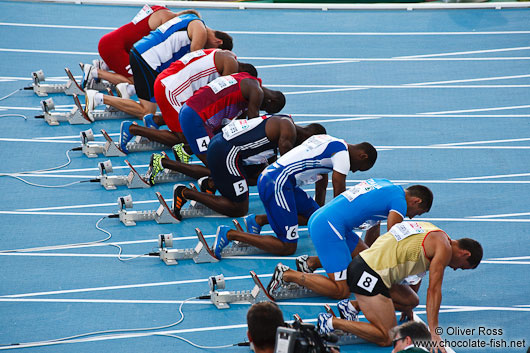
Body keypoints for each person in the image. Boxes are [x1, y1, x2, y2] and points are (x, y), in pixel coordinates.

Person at [315, 221, 482, 351]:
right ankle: (331, 322)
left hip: (366, 263)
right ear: (464, 253)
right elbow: (434, 290)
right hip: (369, 275)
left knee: (411, 301)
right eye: (460, 266)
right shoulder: (444, 249)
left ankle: (351, 307)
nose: (454, 268)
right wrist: (435, 333)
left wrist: (407, 307)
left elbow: (417, 269)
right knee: (387, 337)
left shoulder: (435, 232)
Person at [214, 135, 378, 258]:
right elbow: (339, 187)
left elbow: (323, 178)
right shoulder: (342, 155)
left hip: (279, 179)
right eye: (359, 168)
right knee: (288, 246)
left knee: (315, 218)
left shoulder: (330, 141)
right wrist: (343, 221)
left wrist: (320, 210)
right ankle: (230, 234)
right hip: (277, 183)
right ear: (363, 156)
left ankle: (257, 220)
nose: (354, 170)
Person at [269, 180, 433, 301]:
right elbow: (395, 238)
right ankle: (287, 274)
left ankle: (310, 263)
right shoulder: (400, 203)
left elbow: (374, 227)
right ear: (416, 201)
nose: (411, 216)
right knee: (341, 291)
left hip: (326, 219)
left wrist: (375, 259)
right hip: (330, 227)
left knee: (364, 263)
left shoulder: (387, 186)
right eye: (417, 213)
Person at [155, 115, 325, 220]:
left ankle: (212, 184)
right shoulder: (288, 132)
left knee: (262, 176)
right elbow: (286, 168)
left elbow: (270, 167)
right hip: (226, 151)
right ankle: (185, 193)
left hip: (226, 147)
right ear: (308, 137)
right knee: (239, 209)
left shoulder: (285, 123)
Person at [84, 12, 233, 119]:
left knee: (162, 90)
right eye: (213, 51)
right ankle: (97, 98)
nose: (209, 52)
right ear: (218, 42)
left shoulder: (191, 19)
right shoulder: (200, 31)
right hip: (148, 60)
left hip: (144, 53)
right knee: (147, 111)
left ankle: (129, 88)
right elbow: (195, 61)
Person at [115, 48, 257, 153]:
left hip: (170, 80)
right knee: (185, 138)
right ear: (243, 75)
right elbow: (223, 99)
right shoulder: (231, 67)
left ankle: (156, 120)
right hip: (171, 89)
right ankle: (133, 129)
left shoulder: (226, 55)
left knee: (196, 116)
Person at [128, 72, 284, 162]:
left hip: (195, 112)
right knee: (215, 166)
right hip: (196, 118)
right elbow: (253, 125)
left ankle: (185, 150)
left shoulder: (247, 80)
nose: (262, 110)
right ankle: (160, 159)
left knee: (222, 138)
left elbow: (237, 125)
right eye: (266, 109)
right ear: (271, 100)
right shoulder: (257, 93)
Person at [85, 6, 200, 86]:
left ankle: (105, 65)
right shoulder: (169, 20)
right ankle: (94, 72)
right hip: (114, 48)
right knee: (137, 81)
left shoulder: (160, 9)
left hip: (113, 40)